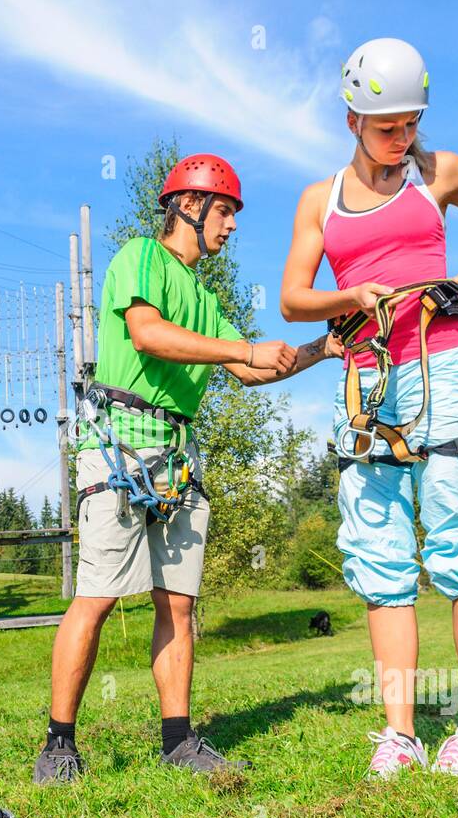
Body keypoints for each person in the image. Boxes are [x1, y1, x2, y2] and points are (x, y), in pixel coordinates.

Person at [33, 154, 340, 784]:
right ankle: (59, 743)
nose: (231, 227)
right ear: (189, 207)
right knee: (95, 597)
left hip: (177, 455)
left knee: (177, 604)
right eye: (225, 212)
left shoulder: (206, 298)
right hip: (118, 445)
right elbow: (147, 333)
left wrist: (324, 347)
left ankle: (178, 741)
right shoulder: (140, 257)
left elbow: (252, 369)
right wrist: (242, 347)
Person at [280, 38, 458, 779]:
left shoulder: (438, 172)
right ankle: (401, 734)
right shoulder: (318, 200)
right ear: (352, 117)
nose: (402, 139)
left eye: (411, 123)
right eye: (387, 126)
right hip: (366, 381)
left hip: (447, 364)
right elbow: (295, 296)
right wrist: (346, 297)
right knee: (379, 553)